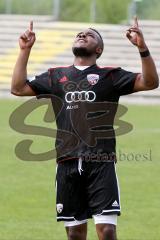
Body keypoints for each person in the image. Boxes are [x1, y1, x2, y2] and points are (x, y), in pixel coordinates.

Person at [11, 17, 159, 240]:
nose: (82, 35)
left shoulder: (110, 76)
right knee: (75, 234)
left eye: (89, 35)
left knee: (107, 231)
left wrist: (143, 48)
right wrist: (24, 50)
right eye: (79, 34)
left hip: (101, 162)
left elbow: (150, 82)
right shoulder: (54, 76)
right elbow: (18, 88)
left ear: (98, 49)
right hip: (67, 163)